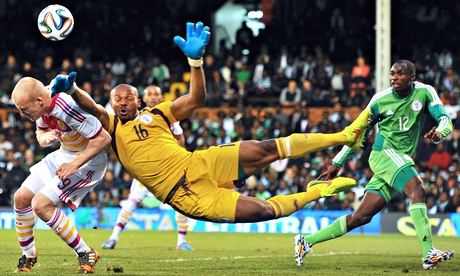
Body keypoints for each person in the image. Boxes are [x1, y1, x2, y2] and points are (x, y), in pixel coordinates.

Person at [51, 22, 366, 226]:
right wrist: (73, 89)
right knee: (263, 211)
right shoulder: (111, 128)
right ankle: (316, 191)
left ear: (138, 100)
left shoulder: (158, 113)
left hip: (199, 163)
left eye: (127, 97)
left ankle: (342, 135)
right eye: (116, 98)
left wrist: (195, 62)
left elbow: (195, 99)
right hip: (184, 195)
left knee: (268, 148)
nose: (121, 102)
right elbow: (90, 105)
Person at [294, 60, 455, 270]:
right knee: (417, 188)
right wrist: (337, 162)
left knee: (361, 217)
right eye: (392, 74)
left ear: (412, 77)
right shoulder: (379, 100)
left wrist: (439, 133)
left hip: (398, 159)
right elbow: (357, 132)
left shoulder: (425, 92)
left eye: (400, 74)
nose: (394, 78)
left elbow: (445, 119)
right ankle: (428, 254)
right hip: (384, 153)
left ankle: (305, 241)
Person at [11, 77, 112, 273]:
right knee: (21, 198)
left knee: (40, 204)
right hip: (64, 155)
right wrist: (45, 137)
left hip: (87, 162)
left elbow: (103, 138)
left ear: (39, 101)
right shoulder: (39, 105)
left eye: (24, 109)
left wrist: (74, 164)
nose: (22, 114)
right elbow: (41, 135)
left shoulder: (65, 107)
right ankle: (28, 254)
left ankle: (85, 252)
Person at [101, 85, 193, 251]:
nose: (153, 97)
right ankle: (113, 237)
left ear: (161, 97)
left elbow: (180, 138)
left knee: (181, 202)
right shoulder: (134, 116)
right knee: (132, 201)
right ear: (142, 99)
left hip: (168, 169)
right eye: (149, 94)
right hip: (145, 171)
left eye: (156, 94)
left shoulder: (166, 115)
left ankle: (181, 241)